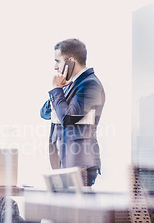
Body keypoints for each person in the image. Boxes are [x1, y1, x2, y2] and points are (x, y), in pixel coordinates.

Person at [40, 38, 105, 186]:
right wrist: (60, 89)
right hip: (65, 163)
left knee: (77, 208)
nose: (55, 67)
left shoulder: (90, 85)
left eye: (58, 61)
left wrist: (57, 89)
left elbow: (68, 118)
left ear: (70, 61)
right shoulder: (69, 84)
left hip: (80, 164)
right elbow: (44, 113)